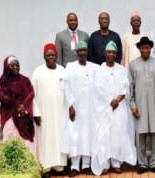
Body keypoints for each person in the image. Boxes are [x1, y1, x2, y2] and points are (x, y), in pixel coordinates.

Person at [91, 41, 136, 175]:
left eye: (113, 53)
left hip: (119, 107)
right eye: (109, 52)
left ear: (116, 55)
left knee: (118, 134)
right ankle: (105, 163)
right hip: (104, 108)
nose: (111, 55)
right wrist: (109, 101)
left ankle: (116, 163)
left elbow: (125, 87)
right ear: (105, 54)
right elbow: (98, 88)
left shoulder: (122, 70)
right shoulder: (99, 70)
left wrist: (117, 100)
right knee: (104, 134)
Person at [129, 37, 155, 174]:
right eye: (143, 48)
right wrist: (133, 106)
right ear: (139, 49)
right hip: (139, 106)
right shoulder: (133, 65)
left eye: (147, 48)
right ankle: (143, 163)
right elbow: (130, 88)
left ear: (150, 49)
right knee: (141, 136)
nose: (145, 50)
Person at [61, 41, 98, 177]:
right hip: (75, 109)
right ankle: (75, 166)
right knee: (75, 136)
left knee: (88, 135)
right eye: (80, 50)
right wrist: (70, 105)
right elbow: (66, 86)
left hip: (90, 109)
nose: (82, 53)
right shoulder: (70, 67)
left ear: (87, 52)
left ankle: (87, 166)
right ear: (76, 52)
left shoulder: (94, 67)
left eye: (84, 50)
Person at [32, 43, 67, 178]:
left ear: (57, 56)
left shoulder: (62, 70)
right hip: (44, 114)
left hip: (60, 112)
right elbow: (32, 95)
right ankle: (45, 167)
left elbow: (67, 91)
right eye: (48, 55)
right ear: (44, 57)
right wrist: (36, 113)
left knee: (59, 137)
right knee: (45, 139)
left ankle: (59, 166)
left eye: (53, 55)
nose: (51, 57)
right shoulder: (37, 72)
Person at [0, 55, 36, 156]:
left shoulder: (25, 80)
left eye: (17, 65)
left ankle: (28, 164)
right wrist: (17, 106)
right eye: (12, 66)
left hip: (24, 115)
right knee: (11, 139)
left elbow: (31, 93)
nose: (15, 67)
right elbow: (3, 97)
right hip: (9, 115)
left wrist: (23, 106)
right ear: (6, 67)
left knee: (26, 142)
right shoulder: (3, 82)